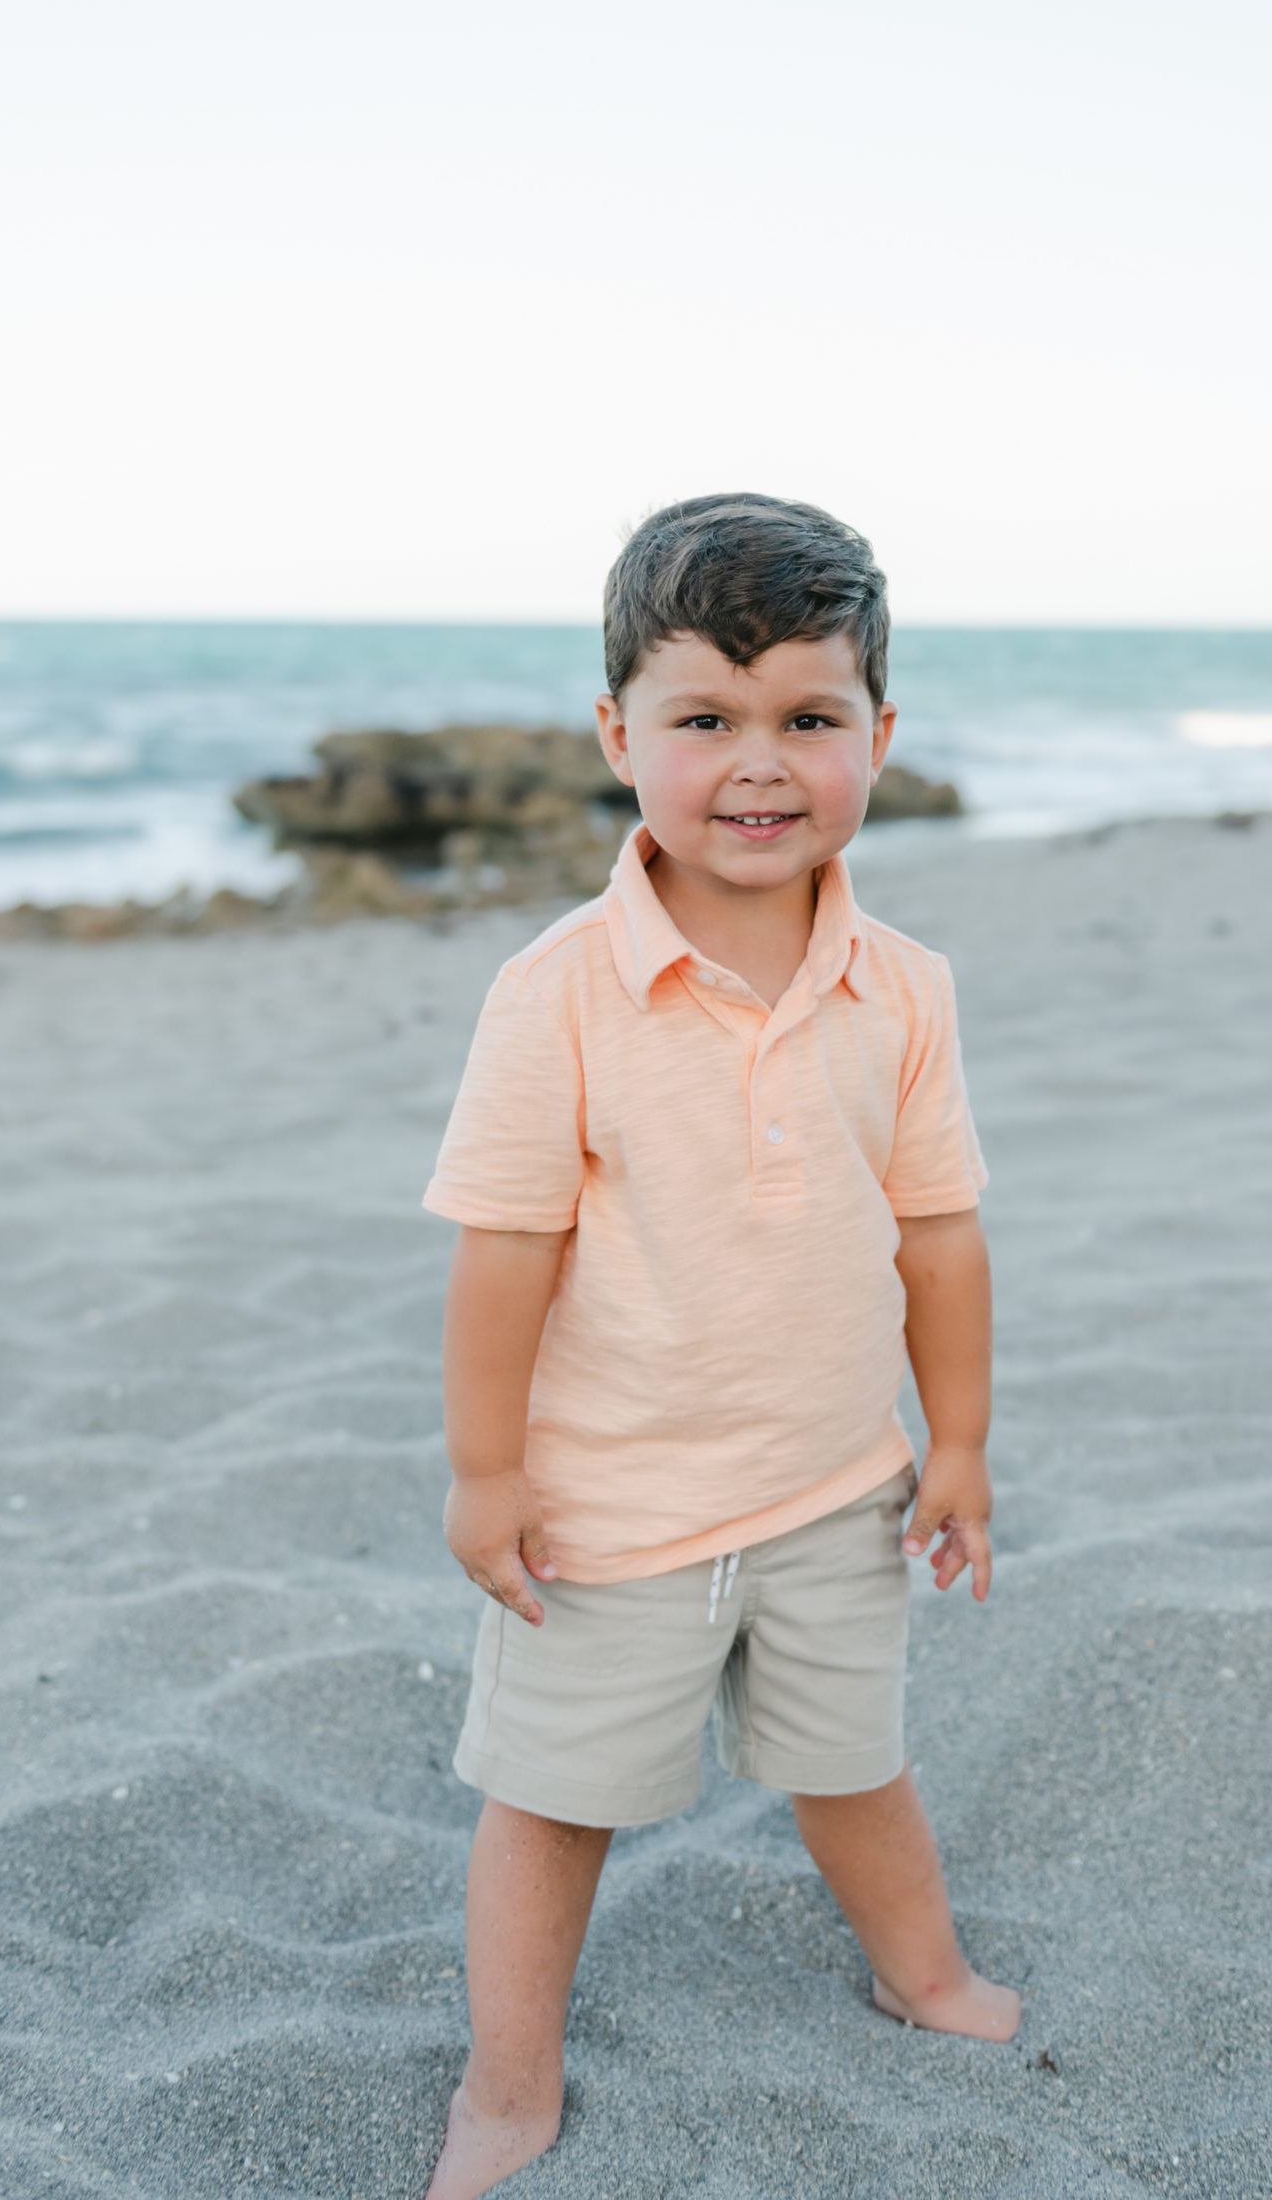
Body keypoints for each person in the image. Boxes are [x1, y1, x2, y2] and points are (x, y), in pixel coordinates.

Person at [422, 494, 1019, 2198]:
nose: (758, 765)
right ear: (619, 734)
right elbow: (506, 1251)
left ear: (878, 737)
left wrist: (957, 1443)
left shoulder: (903, 988)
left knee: (856, 1761)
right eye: (705, 719)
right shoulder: (557, 992)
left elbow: (939, 1229)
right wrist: (486, 1472)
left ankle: (924, 1976)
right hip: (605, 1505)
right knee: (554, 1798)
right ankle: (507, 2086)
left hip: (836, 1478)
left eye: (807, 720)